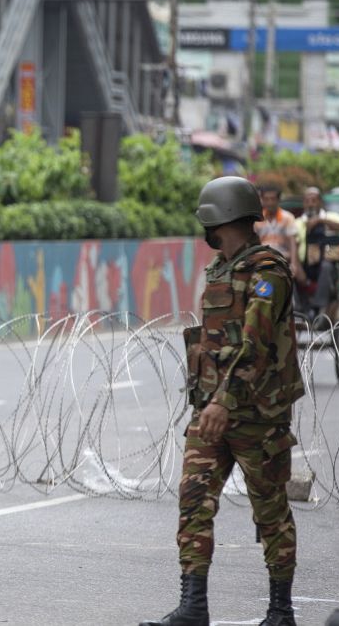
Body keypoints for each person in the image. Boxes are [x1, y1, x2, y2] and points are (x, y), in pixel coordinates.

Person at [141, 176, 304, 626]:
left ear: (221, 217)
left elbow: (255, 344)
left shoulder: (268, 271)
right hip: (211, 411)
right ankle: (193, 607)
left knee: (270, 509)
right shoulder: (220, 269)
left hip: (255, 415)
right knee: (194, 500)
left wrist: (224, 403)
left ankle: (280, 611)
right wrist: (208, 403)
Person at [295, 187, 339, 321]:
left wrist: (320, 220)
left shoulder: (332, 217)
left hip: (328, 266)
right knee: (291, 272)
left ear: (320, 202)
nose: (310, 204)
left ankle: (317, 307)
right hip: (305, 265)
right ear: (303, 203)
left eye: (314, 200)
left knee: (326, 266)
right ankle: (299, 309)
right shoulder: (297, 223)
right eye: (307, 201)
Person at [253, 183, 300, 275]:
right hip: (262, 261)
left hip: (283, 259)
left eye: (273, 199)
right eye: (266, 199)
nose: (270, 202)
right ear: (262, 200)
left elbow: (292, 242)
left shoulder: (288, 217)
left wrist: (294, 264)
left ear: (278, 200)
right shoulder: (257, 219)